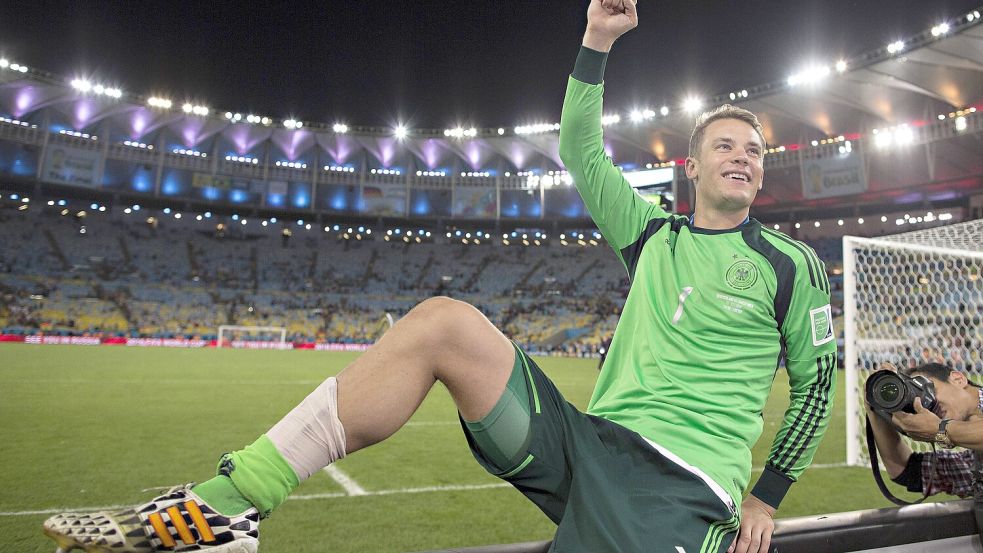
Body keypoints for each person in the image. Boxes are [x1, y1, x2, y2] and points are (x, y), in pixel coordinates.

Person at [43, 2, 835, 552]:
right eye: (725, 145)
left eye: (754, 149)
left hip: (682, 482)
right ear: (689, 165)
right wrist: (595, 41)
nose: (742, 156)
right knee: (442, 322)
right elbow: (580, 150)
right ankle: (227, 504)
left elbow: (815, 384)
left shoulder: (789, 265)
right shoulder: (650, 235)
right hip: (588, 447)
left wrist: (765, 494)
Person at [866, 362, 983, 498]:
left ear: (958, 379)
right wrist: (876, 408)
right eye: (917, 402)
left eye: (928, 389)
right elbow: (907, 470)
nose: (927, 404)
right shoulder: (972, 461)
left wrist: (939, 430)